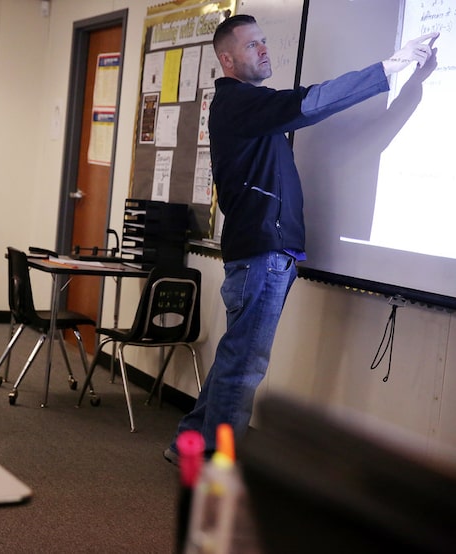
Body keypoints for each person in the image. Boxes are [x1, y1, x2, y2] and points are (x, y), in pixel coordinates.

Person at [165, 15, 438, 461]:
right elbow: (313, 102)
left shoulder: (244, 107)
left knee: (236, 356)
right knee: (245, 364)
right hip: (260, 256)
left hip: (263, 256)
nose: (265, 50)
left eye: (265, 42)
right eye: (253, 46)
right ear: (228, 60)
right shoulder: (239, 103)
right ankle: (217, 462)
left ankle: (190, 443)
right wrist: (388, 68)